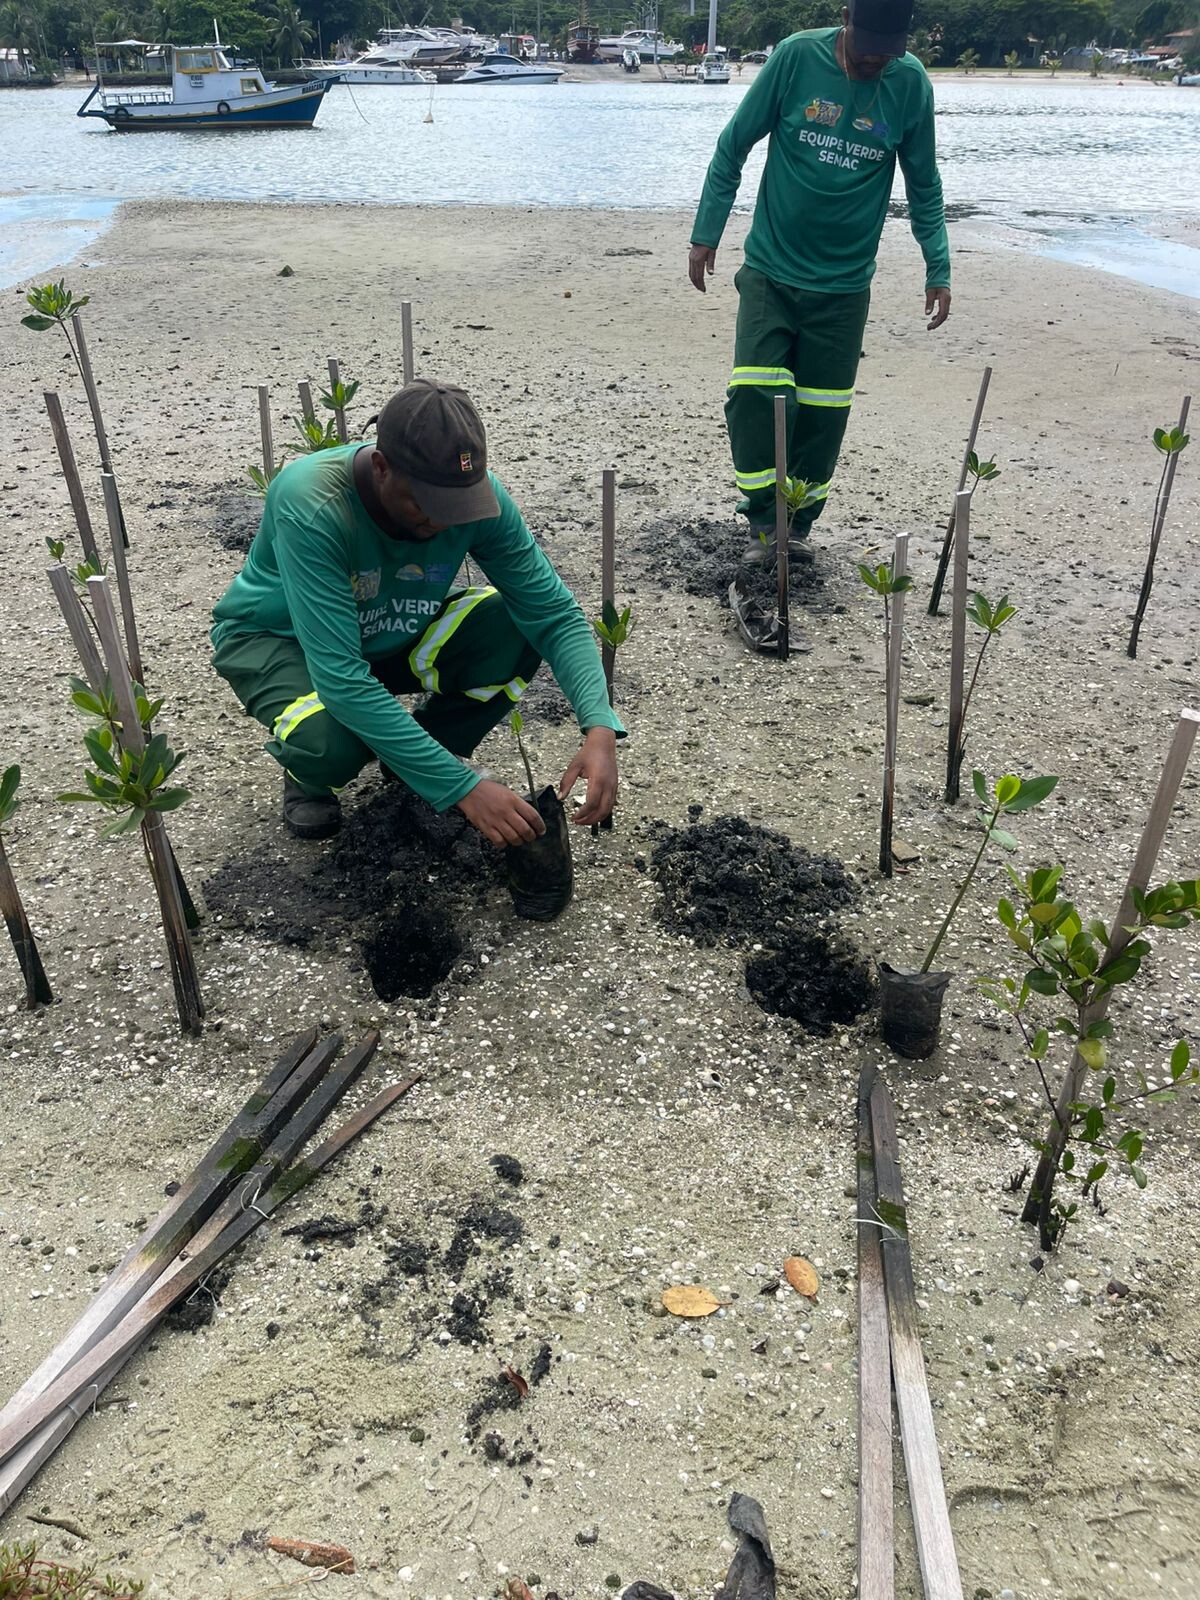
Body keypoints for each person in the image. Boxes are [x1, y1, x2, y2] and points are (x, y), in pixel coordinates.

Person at [211, 379, 622, 844]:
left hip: (388, 627)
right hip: (280, 641)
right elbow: (341, 677)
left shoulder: (478, 500)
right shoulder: (311, 502)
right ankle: (309, 776)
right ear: (381, 468)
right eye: (428, 505)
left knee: (514, 627)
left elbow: (554, 614)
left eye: (458, 506)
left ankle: (419, 761)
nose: (444, 521)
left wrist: (599, 726)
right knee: (333, 744)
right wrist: (462, 787)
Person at [688, 0, 951, 556]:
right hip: (771, 270)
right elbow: (734, 144)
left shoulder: (909, 84)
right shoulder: (795, 57)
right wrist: (706, 231)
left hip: (844, 286)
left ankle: (797, 528)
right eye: (868, 47)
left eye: (888, 52)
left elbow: (924, 183)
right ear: (846, 18)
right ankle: (764, 522)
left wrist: (938, 265)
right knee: (754, 392)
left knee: (823, 413)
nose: (875, 60)